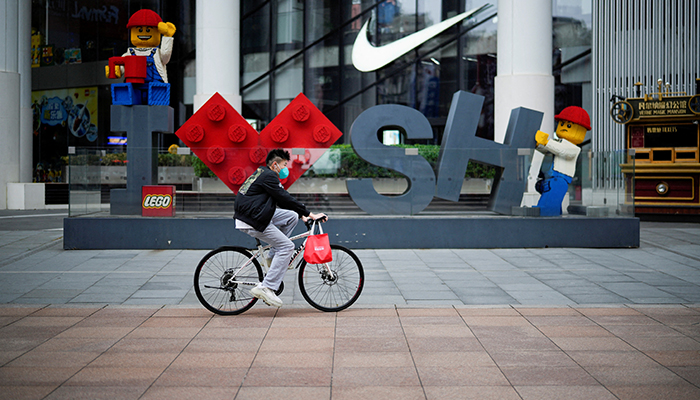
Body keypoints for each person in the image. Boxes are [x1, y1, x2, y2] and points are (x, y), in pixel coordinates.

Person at [234, 149, 327, 307]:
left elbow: (281, 198)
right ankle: (267, 287)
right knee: (287, 246)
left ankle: (272, 257)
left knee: (291, 216)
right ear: (275, 165)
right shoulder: (269, 175)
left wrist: (301, 214)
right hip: (252, 219)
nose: (286, 168)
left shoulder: (262, 173)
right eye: (284, 165)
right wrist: (309, 213)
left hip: (253, 213)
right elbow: (284, 197)